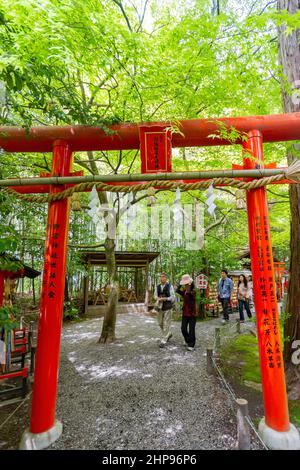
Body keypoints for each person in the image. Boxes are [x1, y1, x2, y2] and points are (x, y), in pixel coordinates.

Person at [154, 273, 175, 348]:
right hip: (160, 307)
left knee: (166, 323)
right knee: (160, 323)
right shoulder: (158, 286)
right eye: (161, 277)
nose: (161, 278)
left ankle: (164, 340)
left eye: (163, 277)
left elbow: (173, 297)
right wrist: (158, 298)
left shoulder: (170, 286)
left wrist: (165, 298)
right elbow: (155, 295)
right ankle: (168, 334)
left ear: (166, 278)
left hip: (168, 307)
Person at [176, 274, 197, 351]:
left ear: (190, 283)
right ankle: (187, 340)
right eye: (184, 284)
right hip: (185, 313)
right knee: (183, 328)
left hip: (192, 313)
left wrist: (190, 285)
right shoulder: (184, 291)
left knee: (191, 329)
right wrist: (179, 285)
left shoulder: (193, 291)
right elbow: (177, 291)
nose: (185, 285)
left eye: (186, 284)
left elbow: (191, 295)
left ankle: (191, 344)